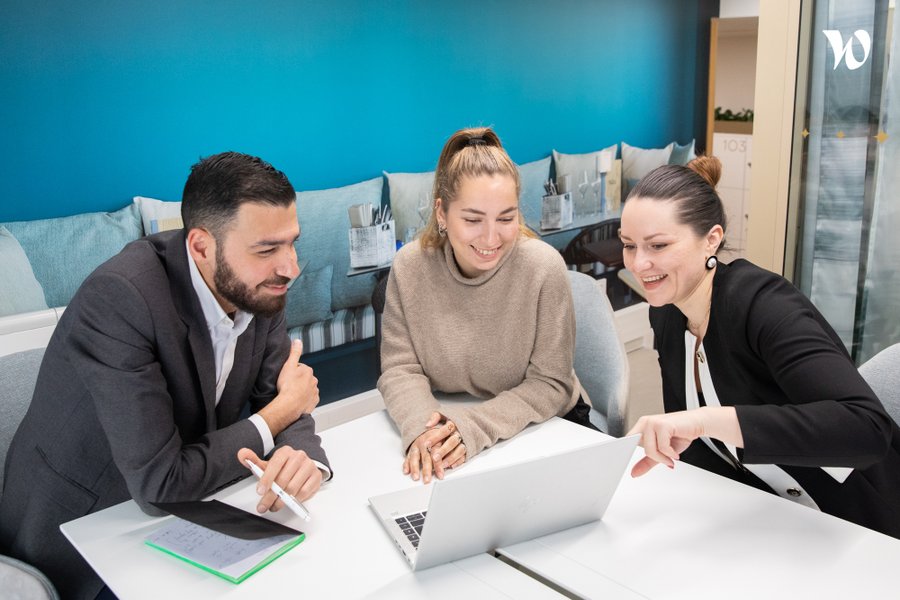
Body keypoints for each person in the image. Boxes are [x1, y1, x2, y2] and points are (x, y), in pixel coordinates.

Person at [0, 152, 332, 598]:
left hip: (191, 508)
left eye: (292, 242)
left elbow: (281, 394)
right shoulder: (120, 298)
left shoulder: (259, 284)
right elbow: (161, 485)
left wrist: (303, 458)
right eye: (267, 248)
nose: (289, 267)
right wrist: (276, 418)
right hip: (86, 529)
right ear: (201, 246)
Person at [620, 155, 900, 538]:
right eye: (629, 245)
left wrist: (705, 421)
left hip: (860, 526)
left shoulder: (764, 305)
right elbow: (701, 450)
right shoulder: (667, 312)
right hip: (768, 520)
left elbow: (866, 430)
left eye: (658, 245)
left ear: (712, 240)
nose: (639, 263)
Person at [377, 126, 594, 485]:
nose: (491, 238)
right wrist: (423, 431)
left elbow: (551, 384)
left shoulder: (543, 267)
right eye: (473, 220)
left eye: (506, 218)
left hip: (545, 426)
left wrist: (470, 428)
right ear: (442, 213)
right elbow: (400, 368)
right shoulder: (411, 267)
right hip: (453, 429)